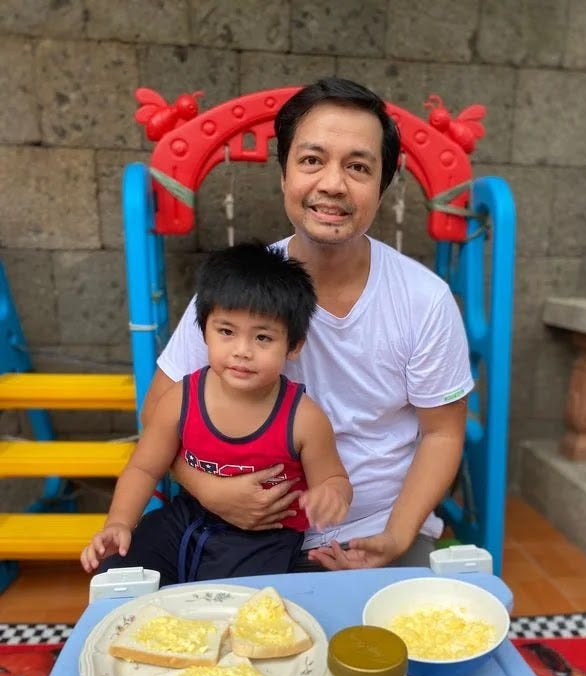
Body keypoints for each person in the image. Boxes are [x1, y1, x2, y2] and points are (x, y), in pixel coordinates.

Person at [139, 76, 474, 572]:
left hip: (378, 530)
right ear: (284, 176)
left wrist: (396, 536)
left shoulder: (424, 300)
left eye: (358, 167)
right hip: (242, 531)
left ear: (381, 187)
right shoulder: (239, 289)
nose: (333, 184)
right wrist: (209, 488)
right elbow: (159, 414)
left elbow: (443, 434)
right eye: (312, 160)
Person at [80, 242, 352, 584]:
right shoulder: (181, 398)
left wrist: (331, 494)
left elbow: (334, 479)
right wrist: (118, 523)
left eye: (263, 338)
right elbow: (143, 467)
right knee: (121, 572)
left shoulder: (304, 419)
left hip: (265, 537)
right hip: (188, 519)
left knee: (230, 604)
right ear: (204, 331)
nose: (242, 351)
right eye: (226, 332)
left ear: (293, 345)